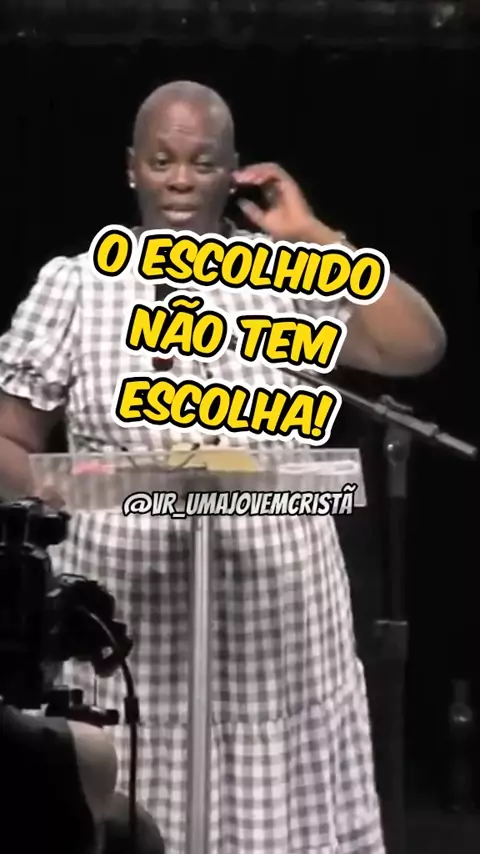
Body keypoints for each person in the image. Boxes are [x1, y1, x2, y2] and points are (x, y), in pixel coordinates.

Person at [0, 80, 446, 854]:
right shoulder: (77, 283)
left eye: (202, 164)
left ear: (233, 173)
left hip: (276, 617)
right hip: (132, 615)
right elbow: (9, 436)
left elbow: (417, 346)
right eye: (162, 161)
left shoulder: (289, 275)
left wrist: (317, 236)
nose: (180, 180)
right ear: (131, 169)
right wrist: (66, 490)